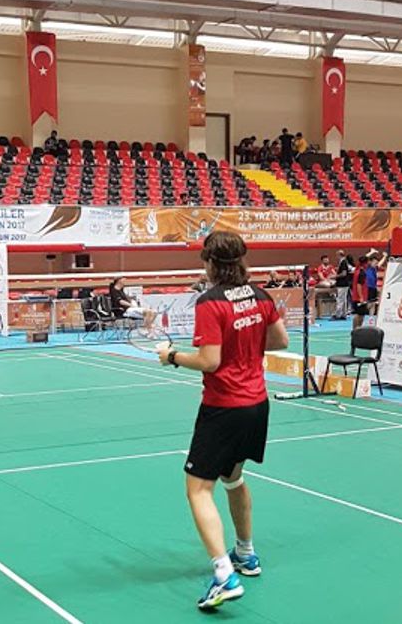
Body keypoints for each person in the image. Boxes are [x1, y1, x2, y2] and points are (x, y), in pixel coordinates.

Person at [155, 231, 288, 611]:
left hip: (224, 407)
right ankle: (245, 553)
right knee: (233, 478)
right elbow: (280, 340)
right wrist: (244, 343)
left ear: (210, 263)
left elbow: (209, 361)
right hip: (257, 404)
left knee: (198, 490)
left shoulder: (210, 302)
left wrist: (171, 356)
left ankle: (223, 575)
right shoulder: (260, 296)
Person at [365, 249, 388, 316]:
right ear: (370, 262)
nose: (376, 264)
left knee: (373, 303)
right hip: (367, 287)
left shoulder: (375, 268)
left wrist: (385, 257)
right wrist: (371, 252)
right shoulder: (367, 267)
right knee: (368, 304)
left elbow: (380, 263)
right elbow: (365, 257)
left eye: (376, 263)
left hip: (373, 288)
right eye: (374, 263)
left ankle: (371, 317)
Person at [351, 254, 371, 330]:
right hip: (359, 298)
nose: (369, 264)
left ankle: (357, 330)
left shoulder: (357, 269)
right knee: (359, 315)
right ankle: (355, 330)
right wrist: (361, 297)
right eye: (368, 262)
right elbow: (359, 285)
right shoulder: (362, 273)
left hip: (356, 297)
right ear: (365, 263)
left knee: (361, 314)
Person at [333, 250, 354, 320]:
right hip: (345, 283)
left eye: (336, 255)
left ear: (339, 255)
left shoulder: (343, 262)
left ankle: (338, 315)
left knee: (340, 299)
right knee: (344, 300)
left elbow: (344, 273)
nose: (336, 257)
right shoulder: (344, 262)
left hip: (342, 283)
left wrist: (335, 276)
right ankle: (343, 314)